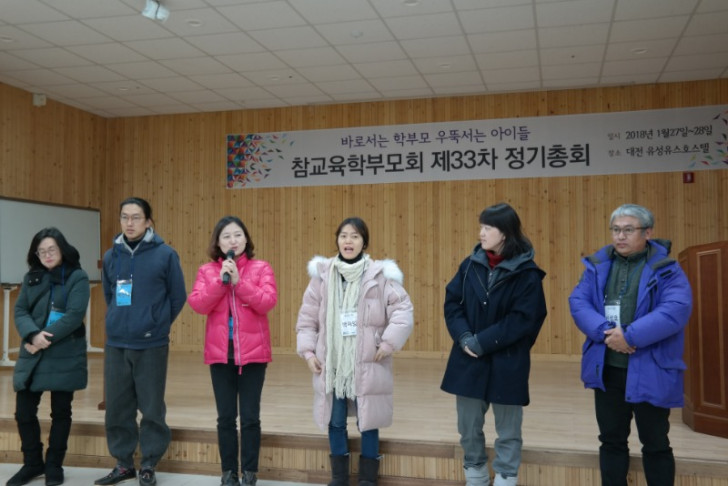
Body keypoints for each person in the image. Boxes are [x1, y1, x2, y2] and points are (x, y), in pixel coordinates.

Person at [569, 203, 692, 486]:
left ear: (647, 233)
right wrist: (606, 333)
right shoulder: (597, 266)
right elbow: (578, 302)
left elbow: (675, 309)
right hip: (607, 368)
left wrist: (629, 336)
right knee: (611, 441)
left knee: (656, 443)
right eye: (615, 230)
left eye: (628, 230)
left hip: (651, 368)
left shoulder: (667, 269)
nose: (620, 236)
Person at [295, 217, 413, 486]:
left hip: (368, 360)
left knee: (368, 421)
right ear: (337, 240)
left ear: (364, 242)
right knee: (335, 421)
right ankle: (339, 478)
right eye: (344, 235)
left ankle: (368, 479)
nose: (348, 241)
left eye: (355, 236)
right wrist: (309, 353)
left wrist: (387, 343)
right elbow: (307, 319)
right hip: (334, 363)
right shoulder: (322, 276)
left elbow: (403, 311)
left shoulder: (380, 276)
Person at [441, 203, 547, 486]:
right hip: (468, 356)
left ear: (506, 232)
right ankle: (475, 474)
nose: (481, 233)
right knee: (468, 427)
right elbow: (453, 304)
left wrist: (483, 342)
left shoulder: (527, 273)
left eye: (488, 227)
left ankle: (505, 476)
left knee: (509, 430)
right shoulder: (469, 265)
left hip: (507, 360)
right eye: (481, 226)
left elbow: (524, 319)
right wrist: (465, 337)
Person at [95, 197, 187, 486]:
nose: (129, 223)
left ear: (148, 221)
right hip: (117, 343)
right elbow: (110, 294)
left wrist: (156, 324)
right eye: (125, 217)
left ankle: (148, 463)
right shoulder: (112, 256)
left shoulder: (165, 255)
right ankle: (123, 464)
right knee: (117, 408)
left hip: (151, 344)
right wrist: (119, 321)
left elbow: (178, 296)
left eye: (136, 217)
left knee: (152, 407)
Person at [188, 216, 278, 486]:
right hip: (220, 356)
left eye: (238, 235)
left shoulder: (261, 268)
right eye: (226, 236)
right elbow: (198, 304)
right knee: (226, 418)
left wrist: (239, 282)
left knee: (250, 418)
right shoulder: (207, 272)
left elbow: (267, 302)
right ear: (218, 243)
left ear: (246, 239)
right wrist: (221, 282)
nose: (233, 241)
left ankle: (249, 472)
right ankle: (228, 473)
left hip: (253, 356)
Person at [7, 228, 90, 486]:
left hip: (64, 353)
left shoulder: (77, 276)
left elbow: (74, 316)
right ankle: (32, 463)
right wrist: (33, 335)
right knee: (23, 413)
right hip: (33, 351)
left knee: (61, 412)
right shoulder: (31, 277)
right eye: (41, 251)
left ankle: (54, 464)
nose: (47, 255)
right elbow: (20, 310)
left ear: (62, 249)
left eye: (51, 249)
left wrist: (43, 339)